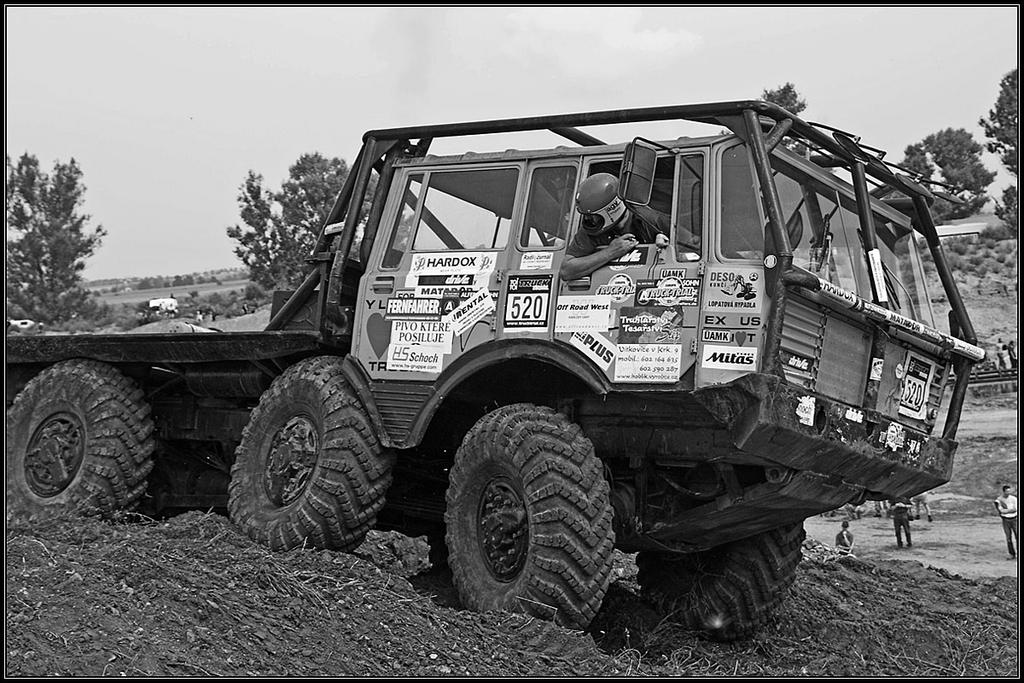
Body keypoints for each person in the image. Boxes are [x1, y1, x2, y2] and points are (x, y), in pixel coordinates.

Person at [558, 173, 672, 281]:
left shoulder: (651, 220)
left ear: (612, 209)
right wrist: (610, 252)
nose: (589, 220)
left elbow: (682, 248)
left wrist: (665, 241)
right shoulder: (592, 228)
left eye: (593, 217)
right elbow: (566, 270)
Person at [993, 485, 1018, 559]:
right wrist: (1010, 510)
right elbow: (1001, 511)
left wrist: (1006, 511)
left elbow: (1015, 509)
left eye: (1009, 491)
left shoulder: (1014, 499)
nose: (1008, 493)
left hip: (1014, 519)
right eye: (1007, 491)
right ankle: (1012, 554)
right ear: (1003, 491)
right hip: (1006, 520)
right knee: (1008, 537)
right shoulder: (999, 500)